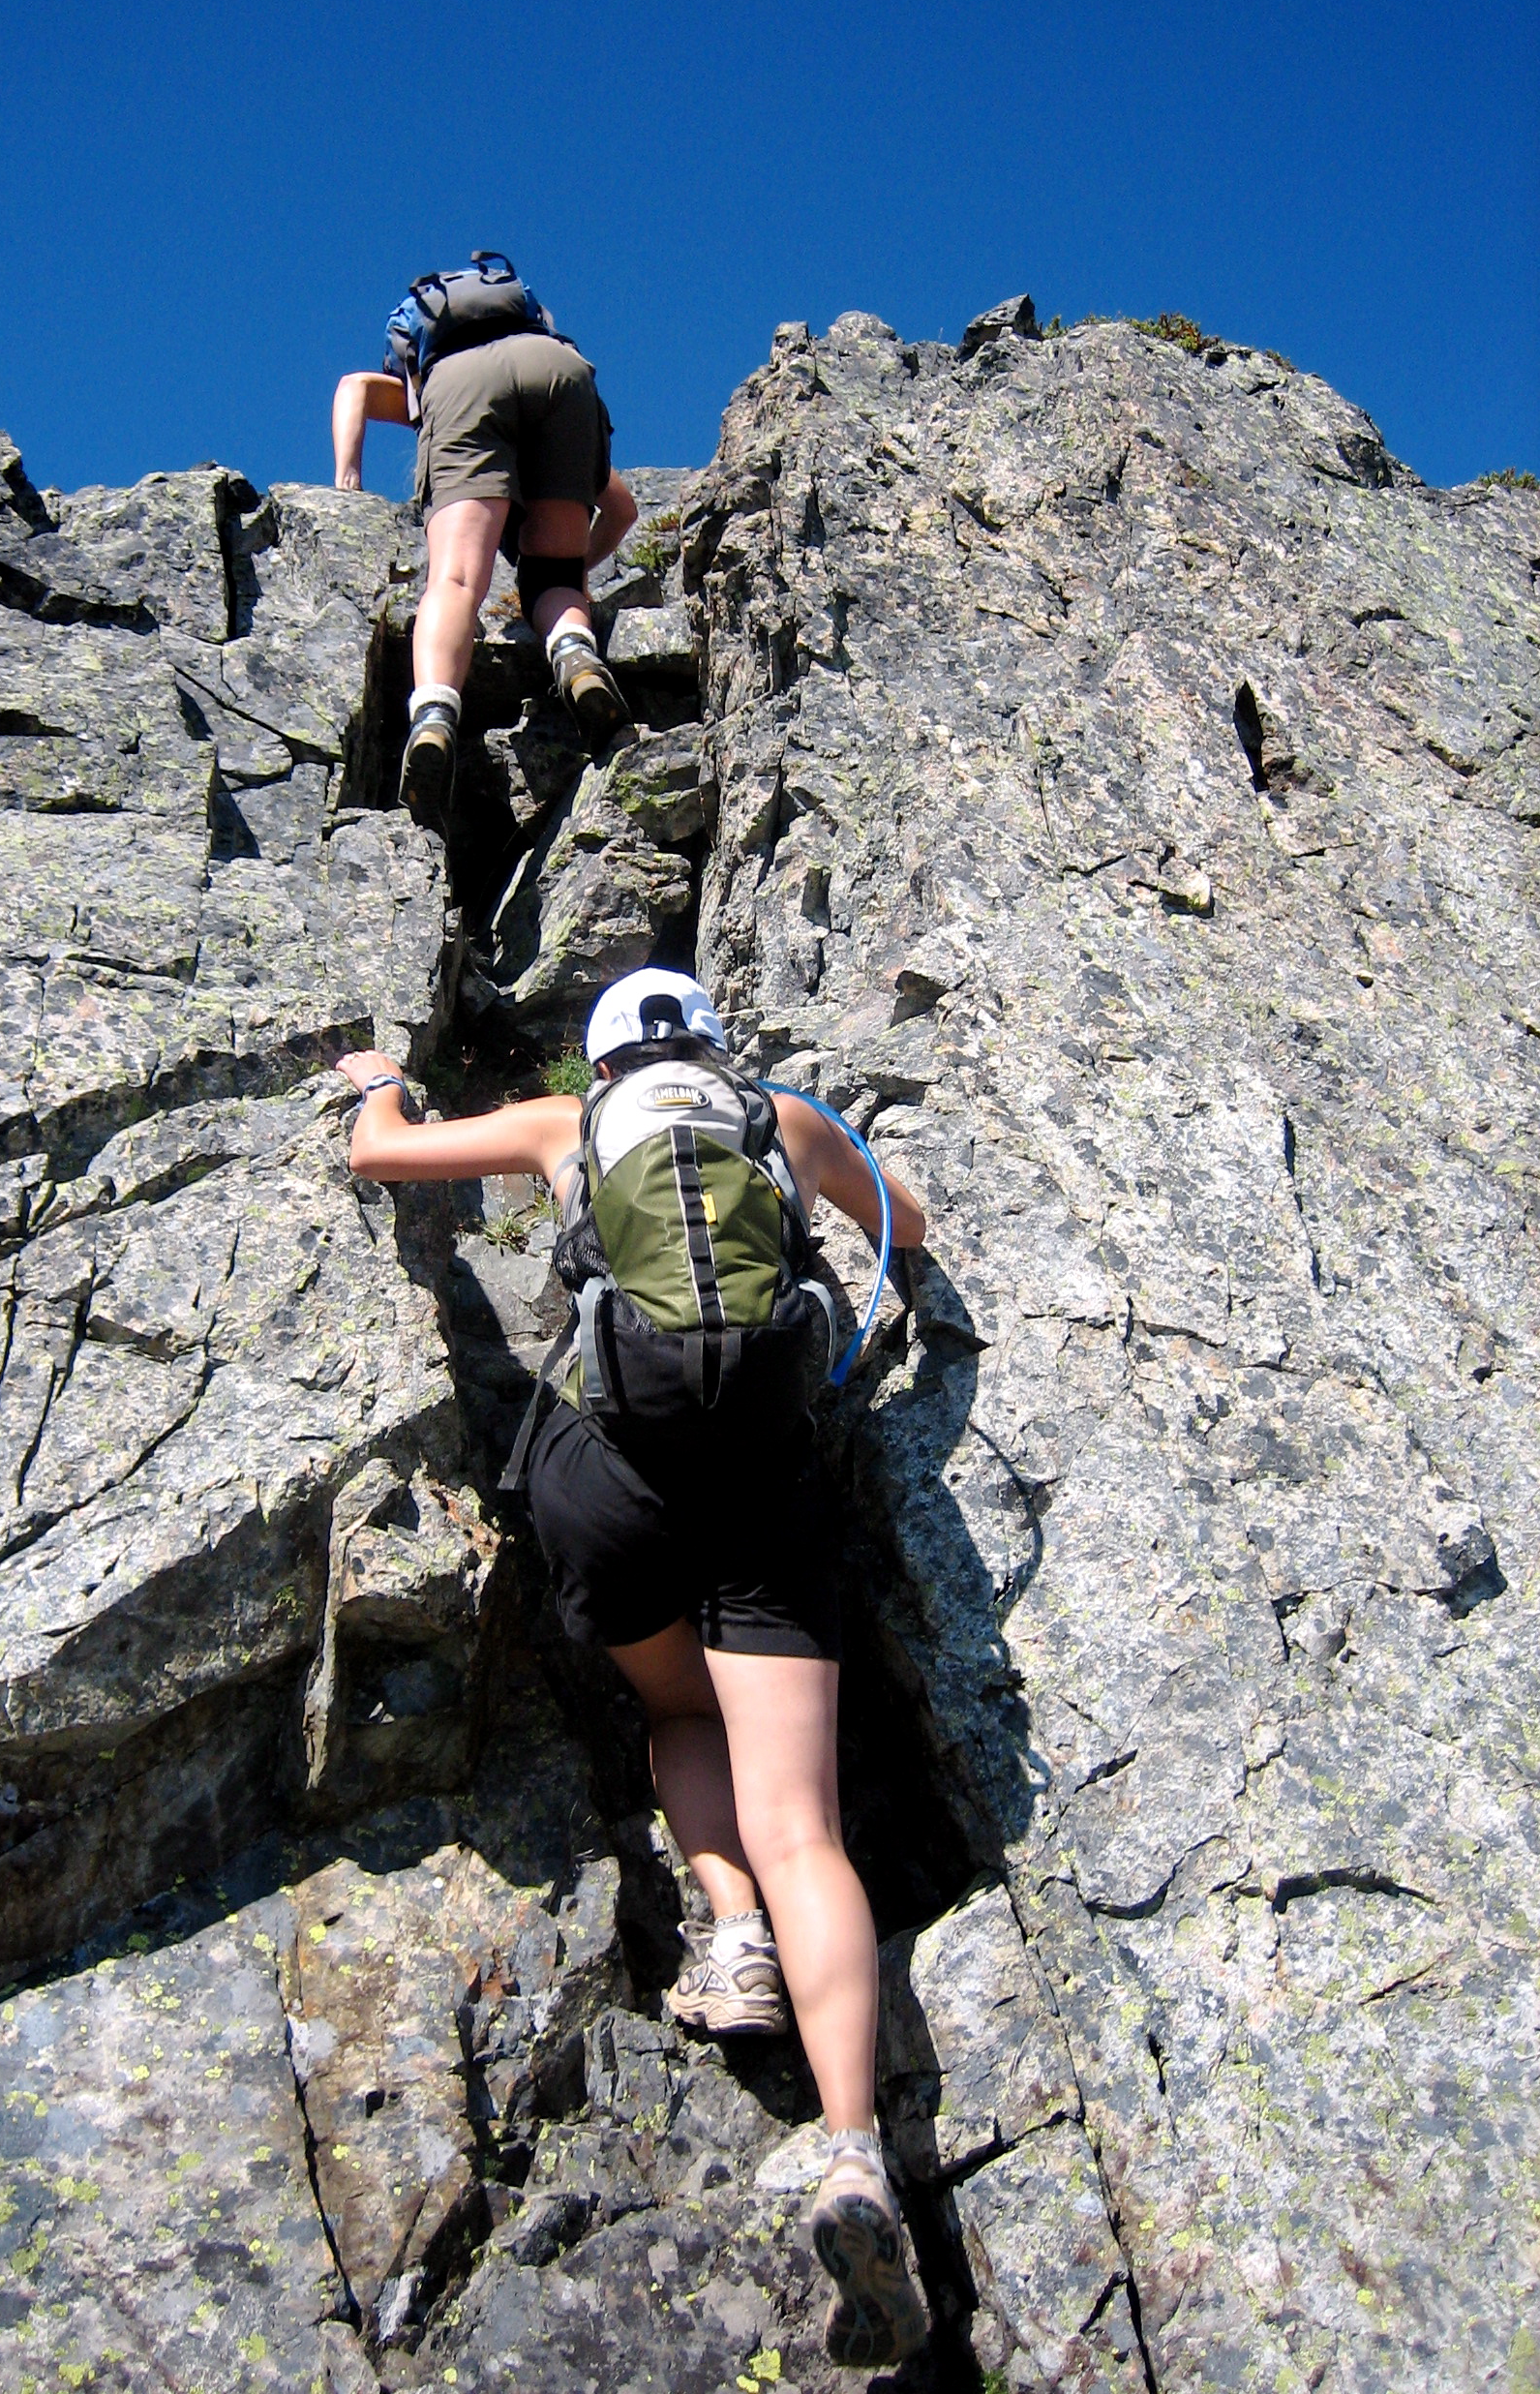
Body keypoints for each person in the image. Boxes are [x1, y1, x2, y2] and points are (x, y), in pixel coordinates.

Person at [335, 968, 933, 2370]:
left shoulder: (564, 1126)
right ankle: (855, 2158)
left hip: (607, 1486)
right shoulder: (782, 1118)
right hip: (766, 1488)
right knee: (811, 1828)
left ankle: (729, 1936)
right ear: (715, 1047)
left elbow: (383, 1156)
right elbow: (908, 1233)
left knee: (675, 1709)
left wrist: (378, 1085)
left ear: (602, 1065)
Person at [333, 254, 640, 833]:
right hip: (563, 374)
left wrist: (347, 481)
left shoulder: (433, 375)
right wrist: (572, 563)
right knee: (552, 578)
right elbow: (622, 509)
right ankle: (577, 658)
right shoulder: (539, 343)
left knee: (455, 579)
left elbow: (352, 387)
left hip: (462, 387)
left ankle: (432, 718)